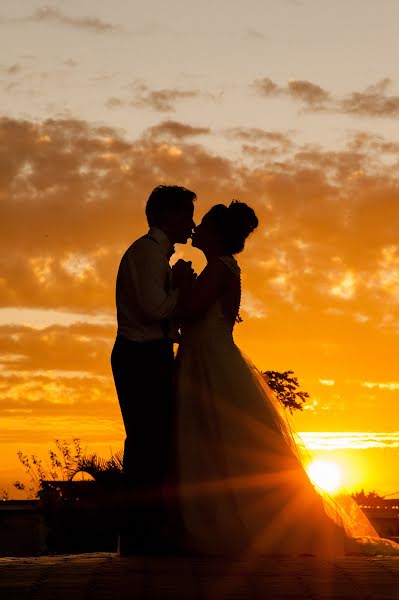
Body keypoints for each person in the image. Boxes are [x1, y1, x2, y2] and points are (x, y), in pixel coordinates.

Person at [175, 200, 399, 557]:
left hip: (212, 362)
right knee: (217, 443)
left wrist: (180, 283)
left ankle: (253, 527)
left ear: (215, 234)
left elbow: (191, 311)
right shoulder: (223, 266)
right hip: (208, 357)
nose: (196, 229)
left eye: (202, 225)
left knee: (227, 443)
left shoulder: (219, 267)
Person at [111, 184, 196, 554]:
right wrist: (180, 288)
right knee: (147, 445)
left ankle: (145, 533)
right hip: (140, 356)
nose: (191, 225)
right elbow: (153, 309)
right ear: (167, 216)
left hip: (149, 353)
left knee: (153, 445)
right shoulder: (146, 254)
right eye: (187, 216)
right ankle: (140, 536)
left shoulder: (154, 254)